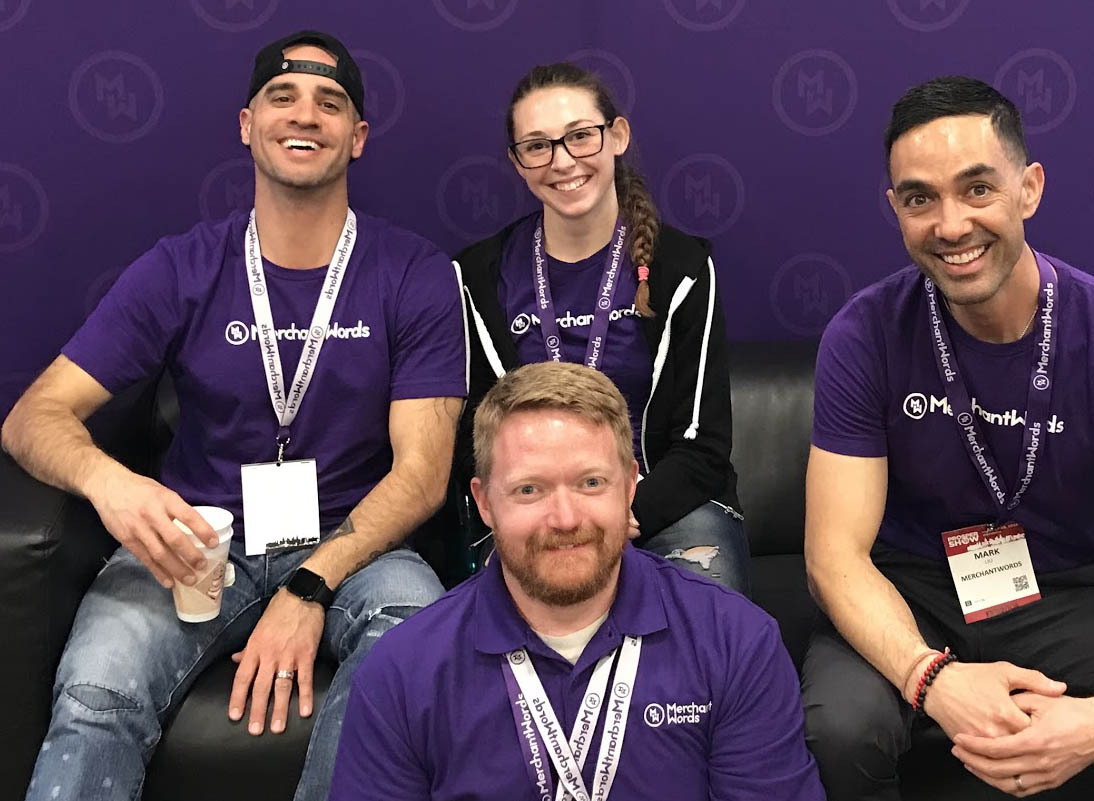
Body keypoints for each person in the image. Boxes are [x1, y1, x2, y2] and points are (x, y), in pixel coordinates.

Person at [1, 30, 466, 801]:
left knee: (412, 649)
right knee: (96, 689)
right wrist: (112, 484)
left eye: (329, 102)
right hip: (197, 538)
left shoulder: (414, 273)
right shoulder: (180, 266)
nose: (304, 115)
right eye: (282, 97)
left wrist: (309, 585)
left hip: (357, 542)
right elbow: (31, 417)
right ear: (248, 125)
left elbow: (422, 474)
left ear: (357, 137)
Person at [801, 75, 1094, 799]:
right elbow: (834, 558)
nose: (951, 225)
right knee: (842, 726)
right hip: (911, 592)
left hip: (1068, 596)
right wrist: (932, 677)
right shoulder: (864, 335)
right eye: (920, 199)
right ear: (896, 210)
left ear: (1029, 189)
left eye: (977, 189)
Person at [330, 361, 825, 800]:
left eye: (591, 483)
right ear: (484, 503)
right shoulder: (400, 671)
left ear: (629, 487)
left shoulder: (736, 641)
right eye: (529, 489)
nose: (565, 519)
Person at [454, 63, 749, 594]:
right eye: (538, 146)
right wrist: (549, 509)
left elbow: (702, 443)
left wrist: (615, 512)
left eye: (580, 136)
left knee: (708, 619)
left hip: (662, 507)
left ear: (617, 136)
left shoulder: (681, 266)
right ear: (518, 163)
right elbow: (473, 442)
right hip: (530, 509)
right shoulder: (476, 276)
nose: (563, 161)